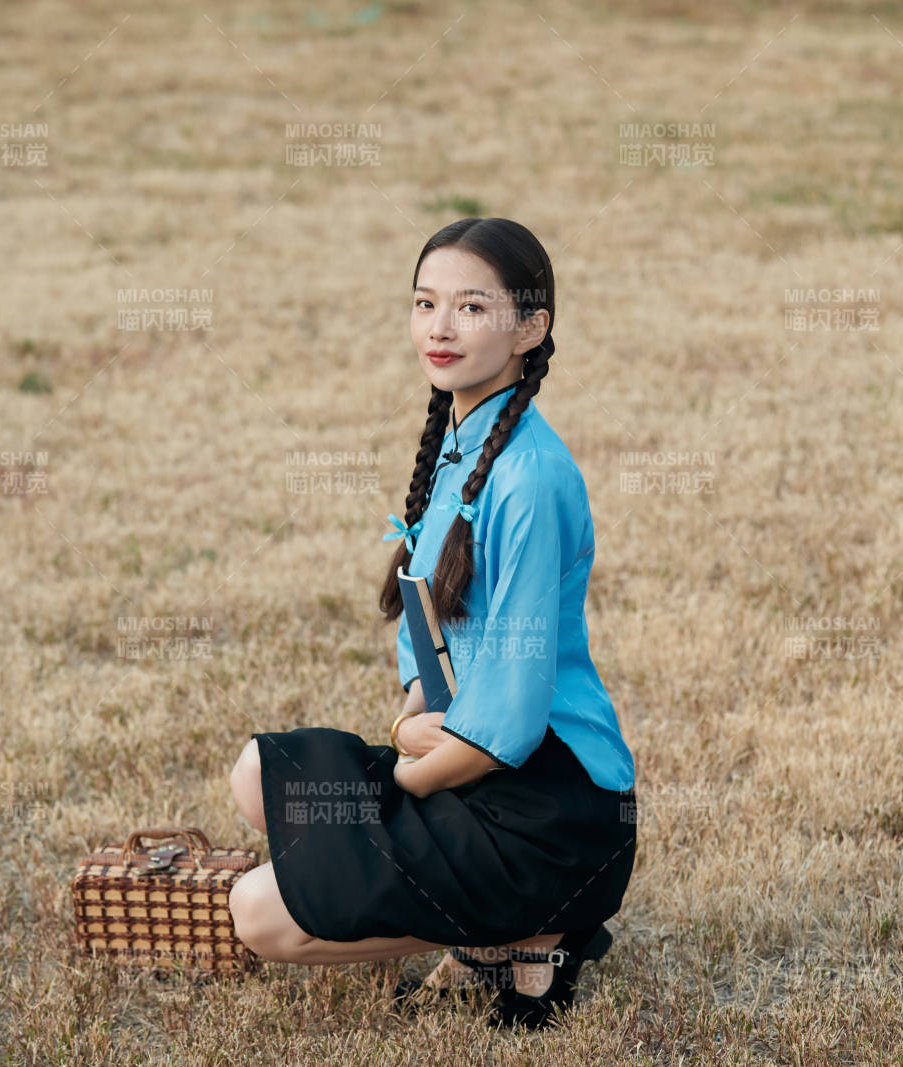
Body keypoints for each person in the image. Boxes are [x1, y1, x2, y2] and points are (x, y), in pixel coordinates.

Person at [228, 216, 637, 1032]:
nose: (440, 328)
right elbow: (431, 629)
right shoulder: (459, 445)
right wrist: (419, 708)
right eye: (425, 303)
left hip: (551, 806)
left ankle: (537, 930)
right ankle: (499, 932)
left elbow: (508, 728)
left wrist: (388, 791)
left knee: (257, 913)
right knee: (253, 774)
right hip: (471, 762)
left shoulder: (528, 476)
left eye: (472, 308)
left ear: (531, 327)